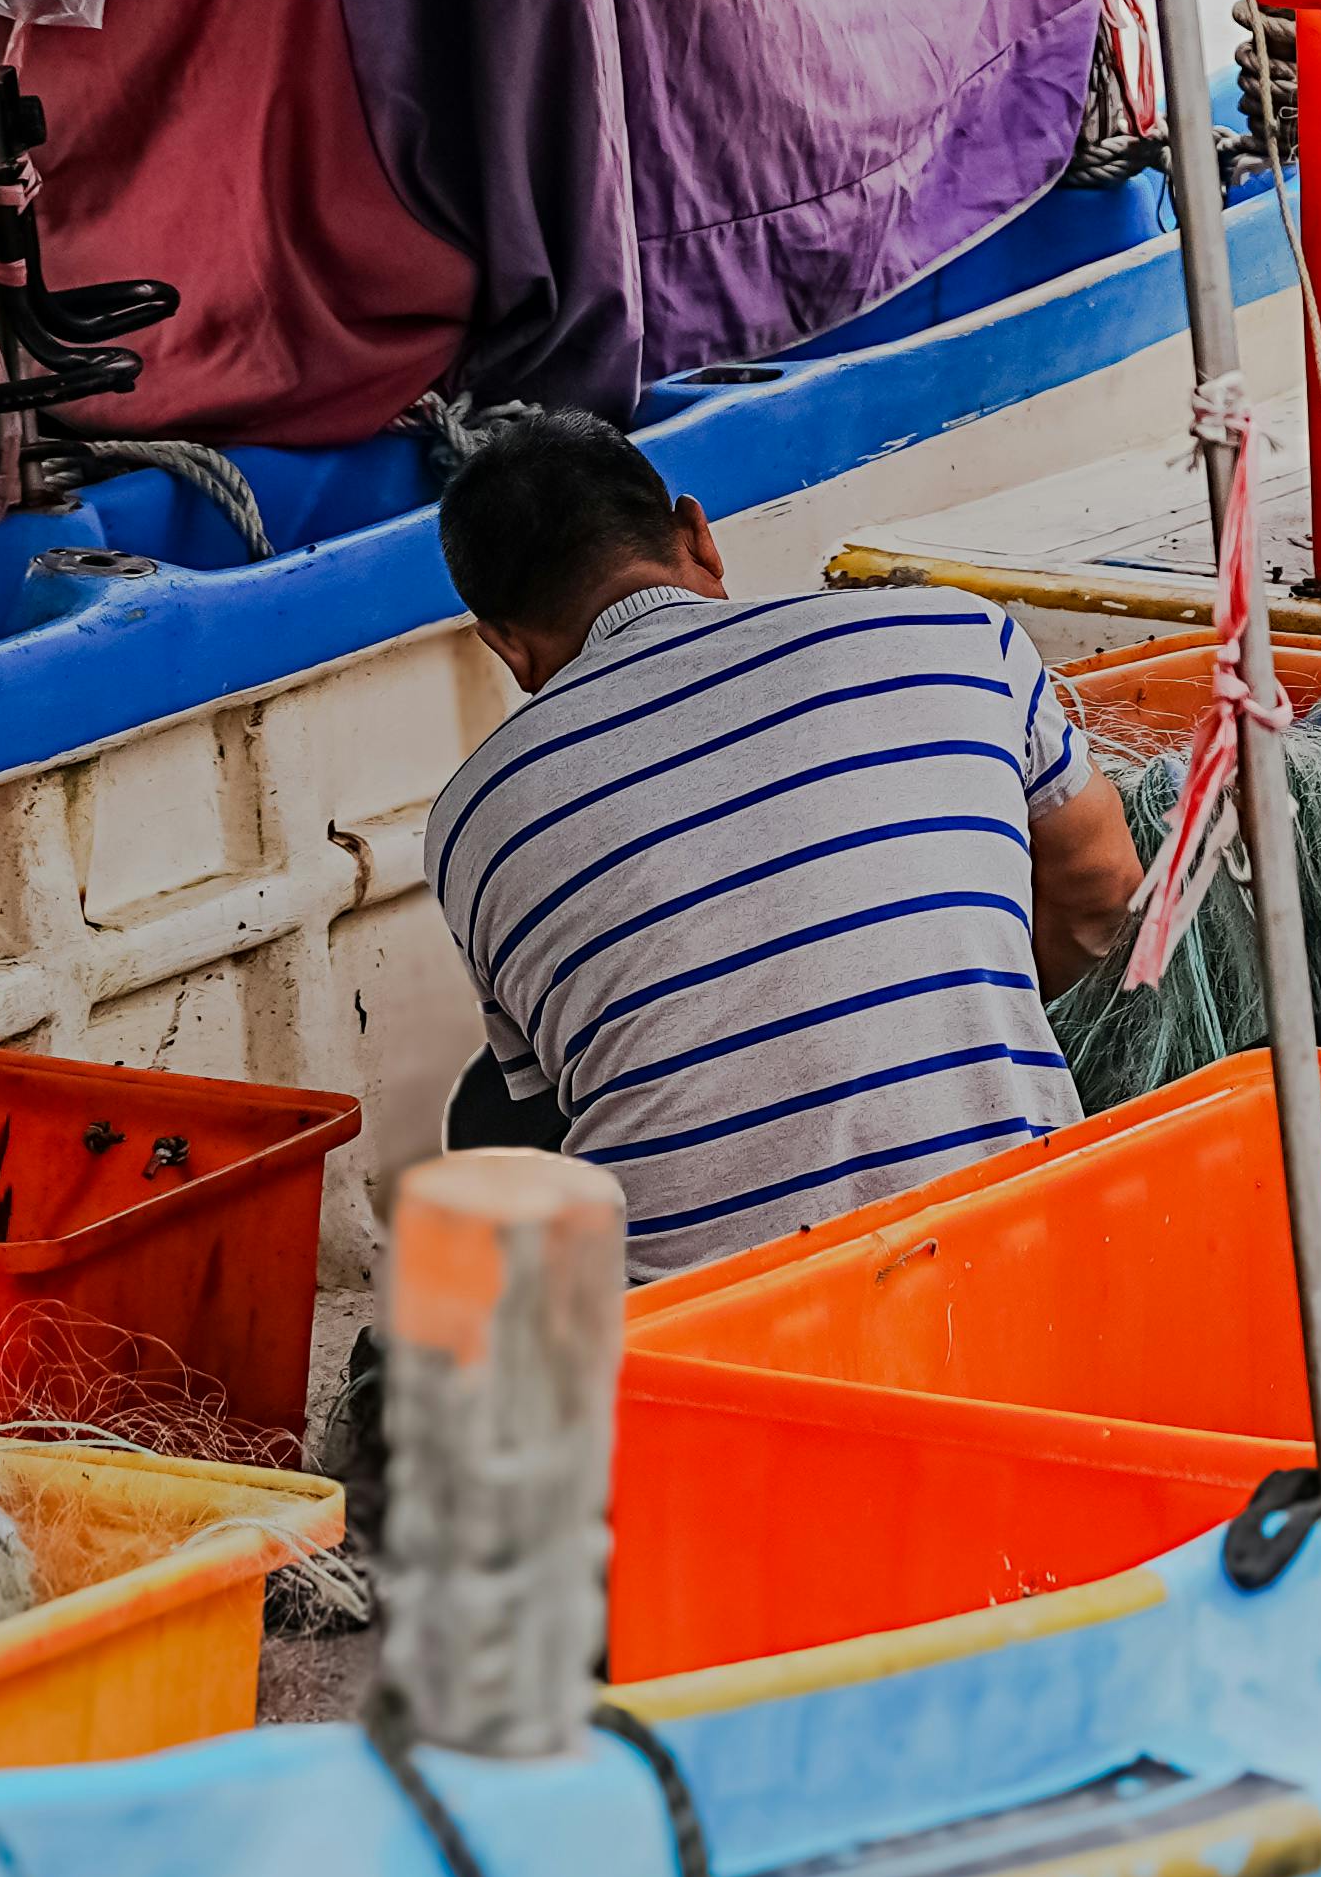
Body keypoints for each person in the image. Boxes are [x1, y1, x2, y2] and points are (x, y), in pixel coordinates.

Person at [421, 410, 1142, 1277]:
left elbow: (563, 1097)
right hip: (1003, 1246)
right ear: (699, 536)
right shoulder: (951, 635)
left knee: (489, 1122)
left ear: (504, 644)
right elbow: (1105, 897)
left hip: (701, 1332)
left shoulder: (472, 818)